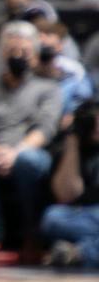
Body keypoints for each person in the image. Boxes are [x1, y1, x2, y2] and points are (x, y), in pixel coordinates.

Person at [0, 20, 60, 262]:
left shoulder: (48, 88)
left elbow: (45, 129)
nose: (18, 56)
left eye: (24, 51)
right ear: (2, 55)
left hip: (30, 150)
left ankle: (31, 235)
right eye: (12, 51)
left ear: (35, 55)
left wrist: (15, 153)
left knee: (28, 161)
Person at [41, 99, 99, 268]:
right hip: (82, 216)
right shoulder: (68, 149)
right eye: (93, 121)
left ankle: (79, 253)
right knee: (52, 218)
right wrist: (72, 140)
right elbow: (67, 195)